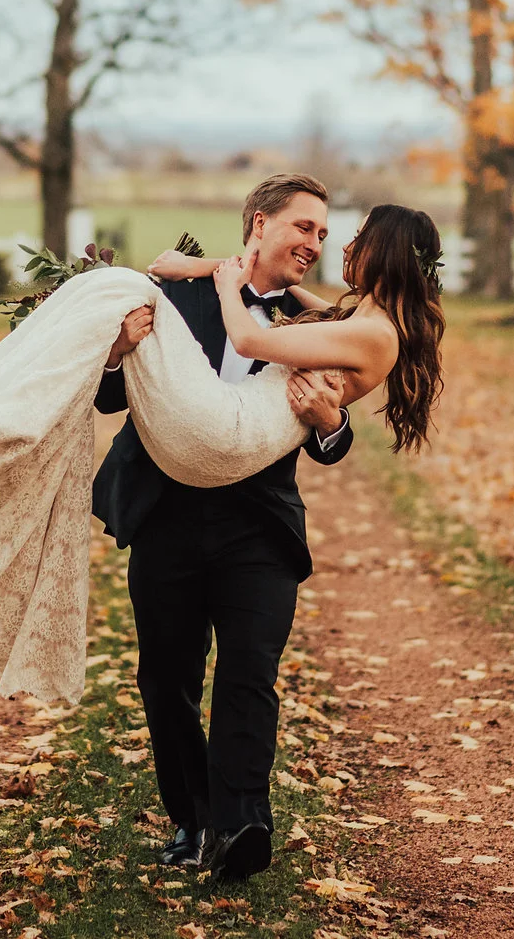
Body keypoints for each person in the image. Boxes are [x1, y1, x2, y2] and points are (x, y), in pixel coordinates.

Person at [94, 179, 446, 884]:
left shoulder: (305, 322)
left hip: (257, 527)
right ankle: (194, 819)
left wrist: (332, 424)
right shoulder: (173, 299)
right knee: (165, 682)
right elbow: (109, 395)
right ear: (261, 224)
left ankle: (242, 823)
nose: (316, 244)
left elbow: (331, 431)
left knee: (249, 675)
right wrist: (115, 346)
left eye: (326, 233)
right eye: (306, 228)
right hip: (167, 513)